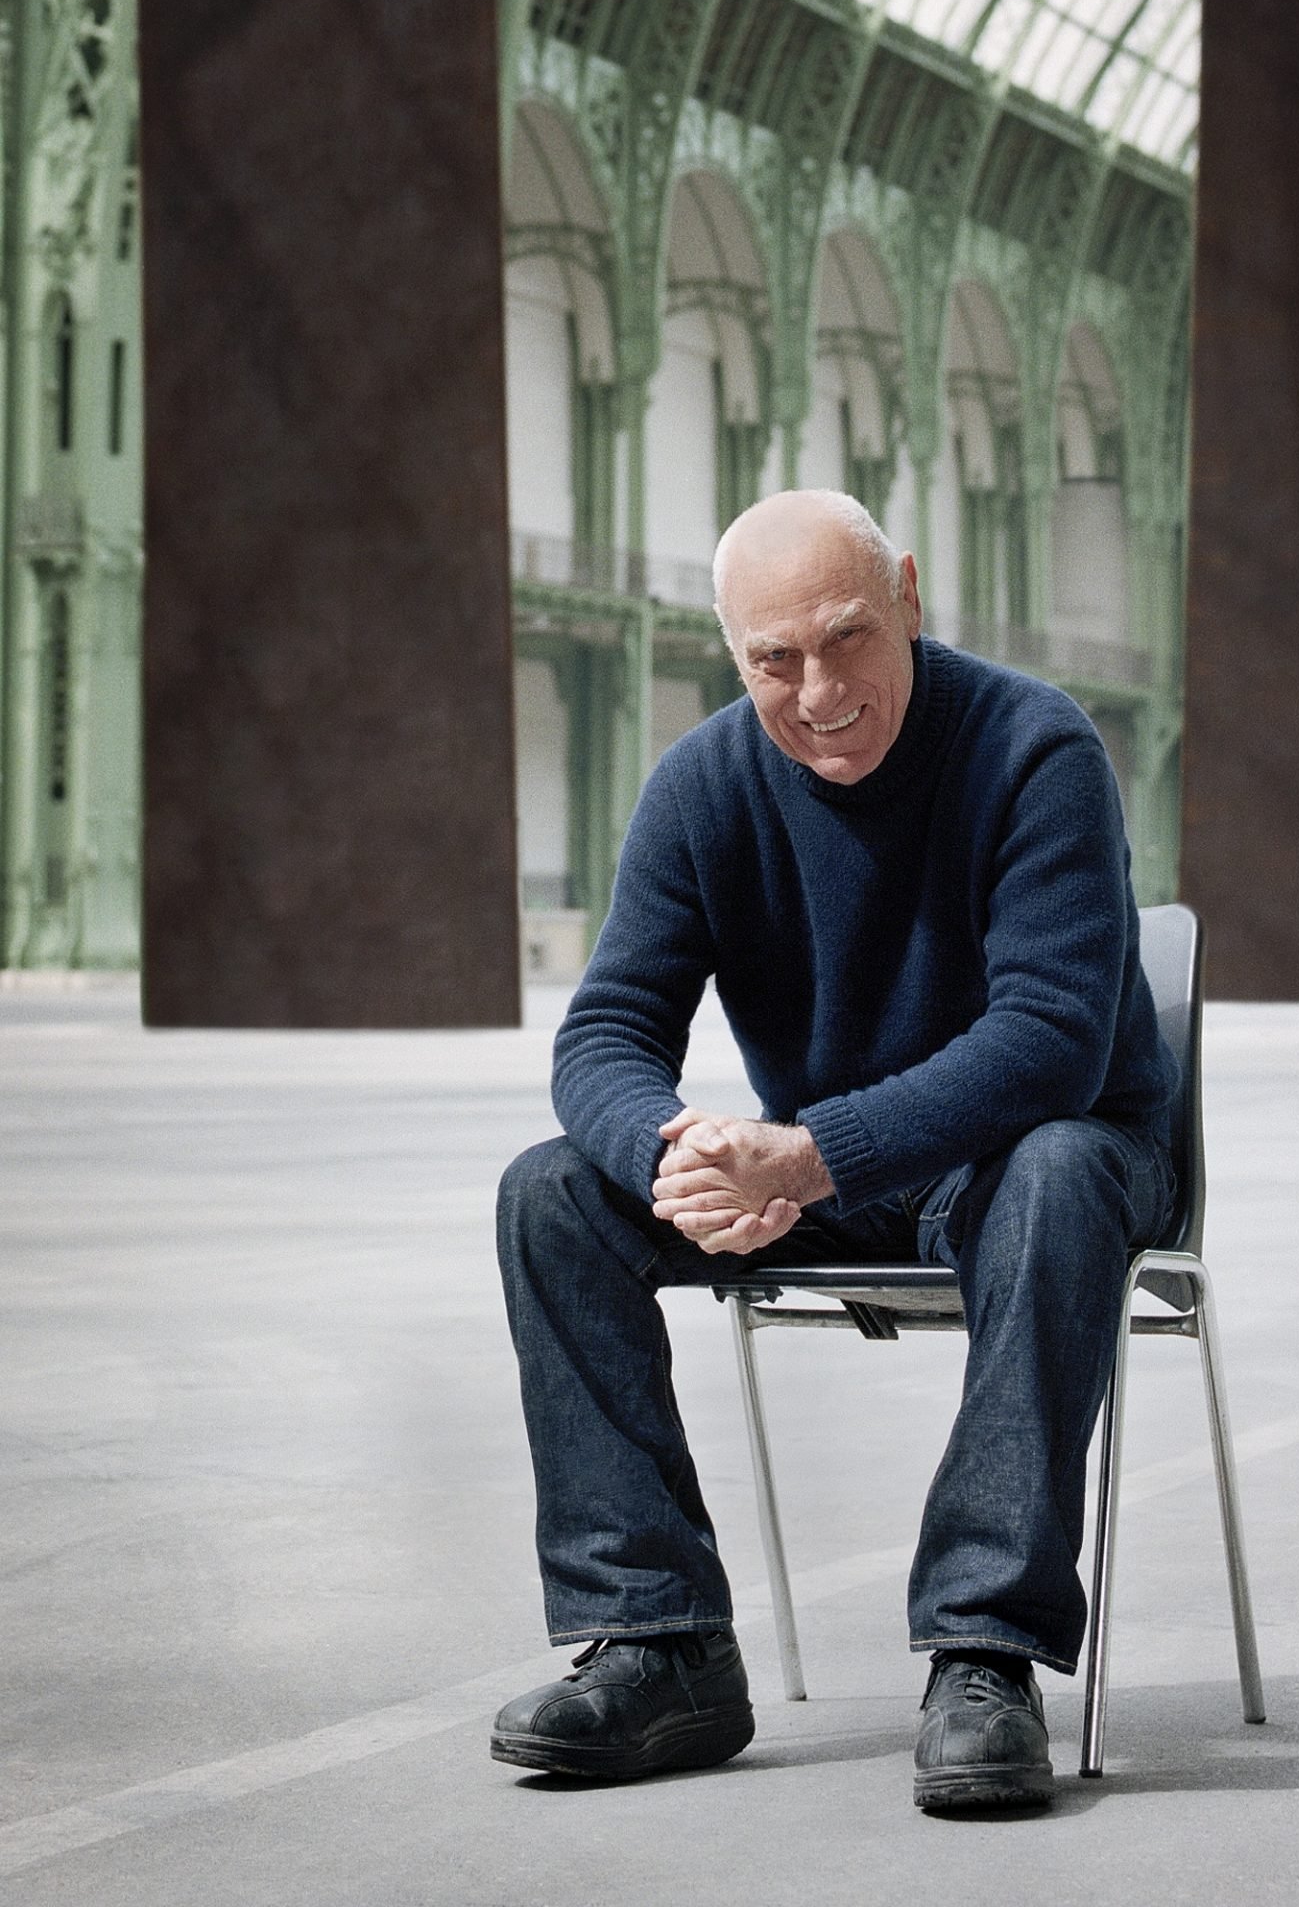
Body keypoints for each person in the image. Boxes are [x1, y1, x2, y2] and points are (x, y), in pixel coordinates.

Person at [491, 488, 1175, 1812]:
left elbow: (1050, 1045)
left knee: (1053, 1171)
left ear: (909, 598)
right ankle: (659, 1642)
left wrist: (802, 1161)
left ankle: (983, 1651)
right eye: (772, 659)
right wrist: (674, 1156)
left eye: (846, 638)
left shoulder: (1036, 748)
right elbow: (605, 1037)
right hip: (841, 1162)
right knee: (552, 1194)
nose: (815, 690)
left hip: (1040, 1157)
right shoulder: (702, 785)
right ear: (733, 653)